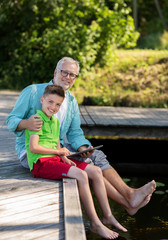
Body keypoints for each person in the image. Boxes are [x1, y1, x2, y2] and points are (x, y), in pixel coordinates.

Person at [7, 57, 156, 216]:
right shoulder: (34, 91)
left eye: (73, 75)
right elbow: (11, 120)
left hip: (57, 149)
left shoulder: (71, 101)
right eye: (65, 72)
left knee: (95, 155)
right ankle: (128, 199)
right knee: (89, 164)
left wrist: (83, 148)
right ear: (56, 72)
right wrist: (27, 124)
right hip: (33, 153)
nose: (68, 77)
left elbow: (75, 133)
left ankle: (129, 198)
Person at [25, 84, 127, 239]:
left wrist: (64, 158)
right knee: (81, 175)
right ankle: (95, 223)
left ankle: (107, 216)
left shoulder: (55, 121)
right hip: (41, 164)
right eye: (50, 102)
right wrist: (58, 152)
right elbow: (33, 147)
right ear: (42, 100)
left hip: (55, 160)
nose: (53, 107)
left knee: (96, 171)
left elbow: (56, 143)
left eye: (58, 104)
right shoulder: (37, 120)